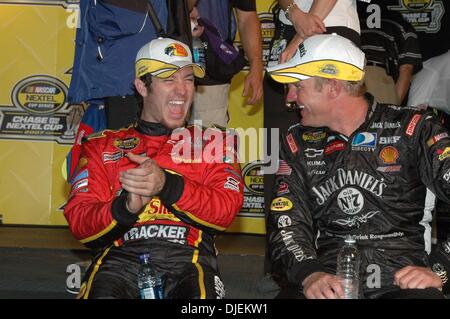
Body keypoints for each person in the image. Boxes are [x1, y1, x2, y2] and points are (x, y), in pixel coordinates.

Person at [266, 33, 450, 299]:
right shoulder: (296, 141)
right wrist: (309, 273)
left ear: (332, 86)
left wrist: (440, 268)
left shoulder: (414, 129)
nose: (290, 98)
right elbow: (287, 221)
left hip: (403, 285)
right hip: (328, 283)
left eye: (298, 86)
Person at [64, 37, 244, 299]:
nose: (182, 91)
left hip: (188, 262)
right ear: (141, 86)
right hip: (118, 262)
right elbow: (80, 221)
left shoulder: (214, 142)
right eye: (169, 79)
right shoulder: (101, 146)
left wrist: (167, 185)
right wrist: (124, 208)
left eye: (188, 79)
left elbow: (226, 210)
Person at [264, 0, 361, 252]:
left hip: (329, 30)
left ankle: (340, 251)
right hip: (288, 31)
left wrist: (300, 36)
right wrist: (293, 13)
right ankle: (284, 254)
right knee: (280, 150)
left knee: (333, 148)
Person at [188, 0, 263, 127]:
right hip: (161, 65)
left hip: (211, 71)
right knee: (160, 142)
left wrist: (256, 66)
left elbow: (247, 16)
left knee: (208, 143)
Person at [358, 3, 422, 105]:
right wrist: (394, 105)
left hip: (348, 74)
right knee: (379, 119)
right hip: (379, 79)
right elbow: (406, 69)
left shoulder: (351, 17)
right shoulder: (401, 24)